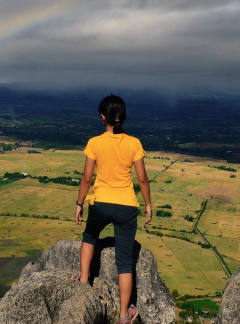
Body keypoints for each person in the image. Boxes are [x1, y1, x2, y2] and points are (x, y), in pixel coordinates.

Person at [74, 94, 152, 324]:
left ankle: (83, 282)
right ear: (122, 117)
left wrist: (79, 204)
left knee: (89, 237)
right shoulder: (134, 143)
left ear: (102, 117)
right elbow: (143, 179)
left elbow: (87, 178)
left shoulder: (94, 143)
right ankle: (124, 315)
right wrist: (147, 204)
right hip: (127, 206)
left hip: (100, 203)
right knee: (125, 262)